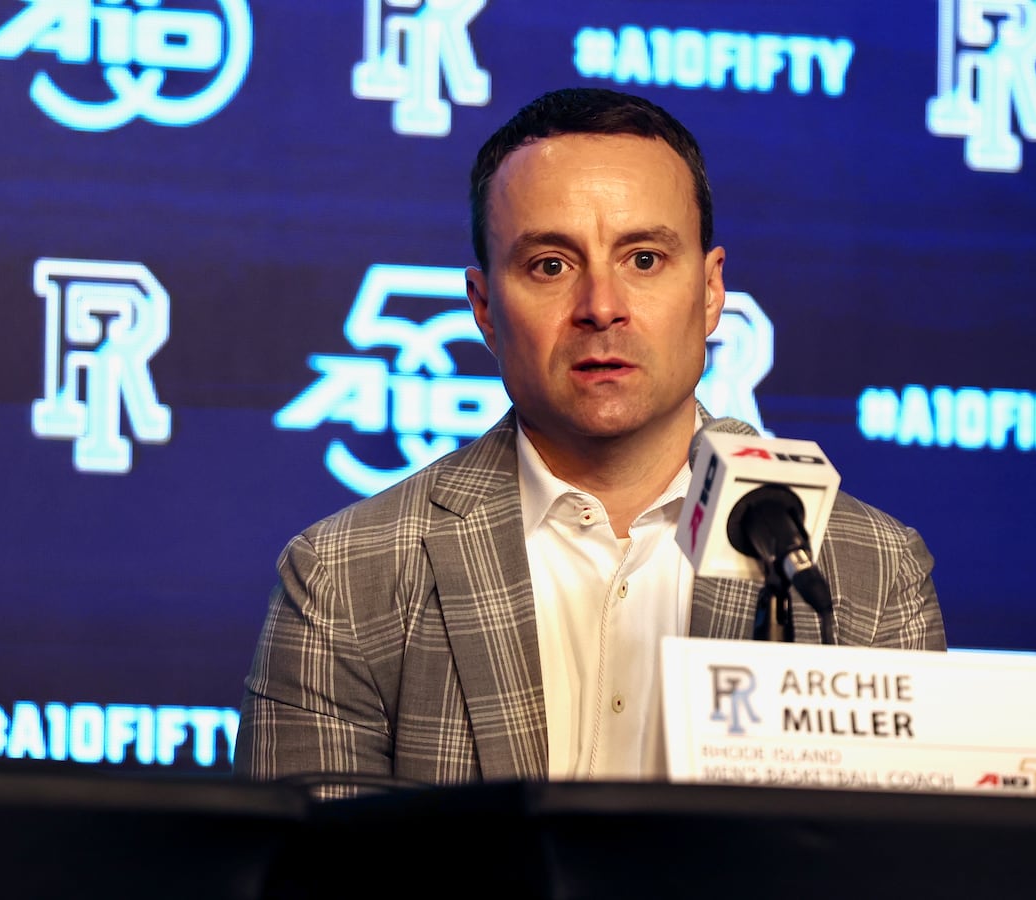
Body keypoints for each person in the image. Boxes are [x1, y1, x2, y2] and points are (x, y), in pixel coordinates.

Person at [233, 87, 945, 796]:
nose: (601, 307)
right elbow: (308, 877)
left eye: (643, 260)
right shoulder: (343, 578)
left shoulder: (867, 571)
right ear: (484, 308)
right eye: (550, 264)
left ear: (709, 290)